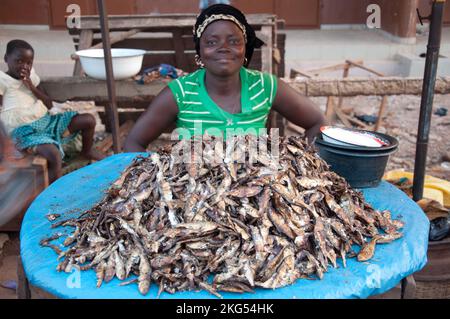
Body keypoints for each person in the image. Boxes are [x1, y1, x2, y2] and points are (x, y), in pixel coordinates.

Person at [124, 4, 325, 152]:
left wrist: (296, 161)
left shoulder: (265, 86)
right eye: (212, 42)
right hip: (193, 200)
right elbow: (134, 143)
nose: (223, 48)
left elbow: (318, 122)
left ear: (245, 50)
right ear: (200, 53)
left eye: (234, 41)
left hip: (255, 193)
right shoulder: (180, 93)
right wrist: (156, 180)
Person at [0, 39, 104, 183]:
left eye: (29, 63)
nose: (24, 66)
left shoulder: (31, 78)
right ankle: (56, 192)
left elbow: (48, 104)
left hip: (47, 122)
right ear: (6, 59)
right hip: (25, 132)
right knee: (54, 154)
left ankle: (87, 151)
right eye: (19, 61)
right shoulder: (2, 80)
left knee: (88, 120)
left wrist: (31, 86)